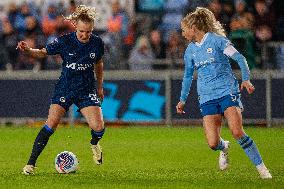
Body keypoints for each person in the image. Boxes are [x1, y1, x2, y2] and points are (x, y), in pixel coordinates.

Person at [176, 7, 272, 179]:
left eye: (184, 30)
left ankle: (262, 169)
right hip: (206, 96)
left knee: (237, 131)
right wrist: (182, 99)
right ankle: (224, 147)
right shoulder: (190, 51)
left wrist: (246, 79)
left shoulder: (217, 41)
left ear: (193, 28)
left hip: (227, 90)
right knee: (213, 143)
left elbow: (240, 58)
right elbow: (188, 75)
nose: (182, 34)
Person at [17, 5, 105, 175]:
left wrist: (99, 86)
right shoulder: (65, 41)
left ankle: (94, 143)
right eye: (81, 31)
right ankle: (30, 164)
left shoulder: (97, 43)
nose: (84, 35)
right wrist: (29, 50)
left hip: (86, 90)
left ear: (92, 29)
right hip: (65, 88)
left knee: (99, 127)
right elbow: (43, 52)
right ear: (75, 27)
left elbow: (99, 63)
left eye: (88, 32)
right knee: (51, 124)